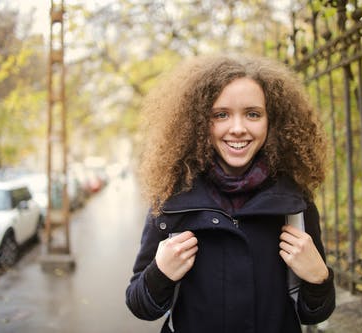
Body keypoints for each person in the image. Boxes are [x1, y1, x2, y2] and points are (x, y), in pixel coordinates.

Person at [126, 54, 335, 333]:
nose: (238, 129)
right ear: (200, 123)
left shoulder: (294, 201)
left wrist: (319, 278)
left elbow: (313, 314)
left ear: (272, 121)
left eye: (253, 114)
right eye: (221, 114)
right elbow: (140, 305)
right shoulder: (172, 199)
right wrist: (160, 272)